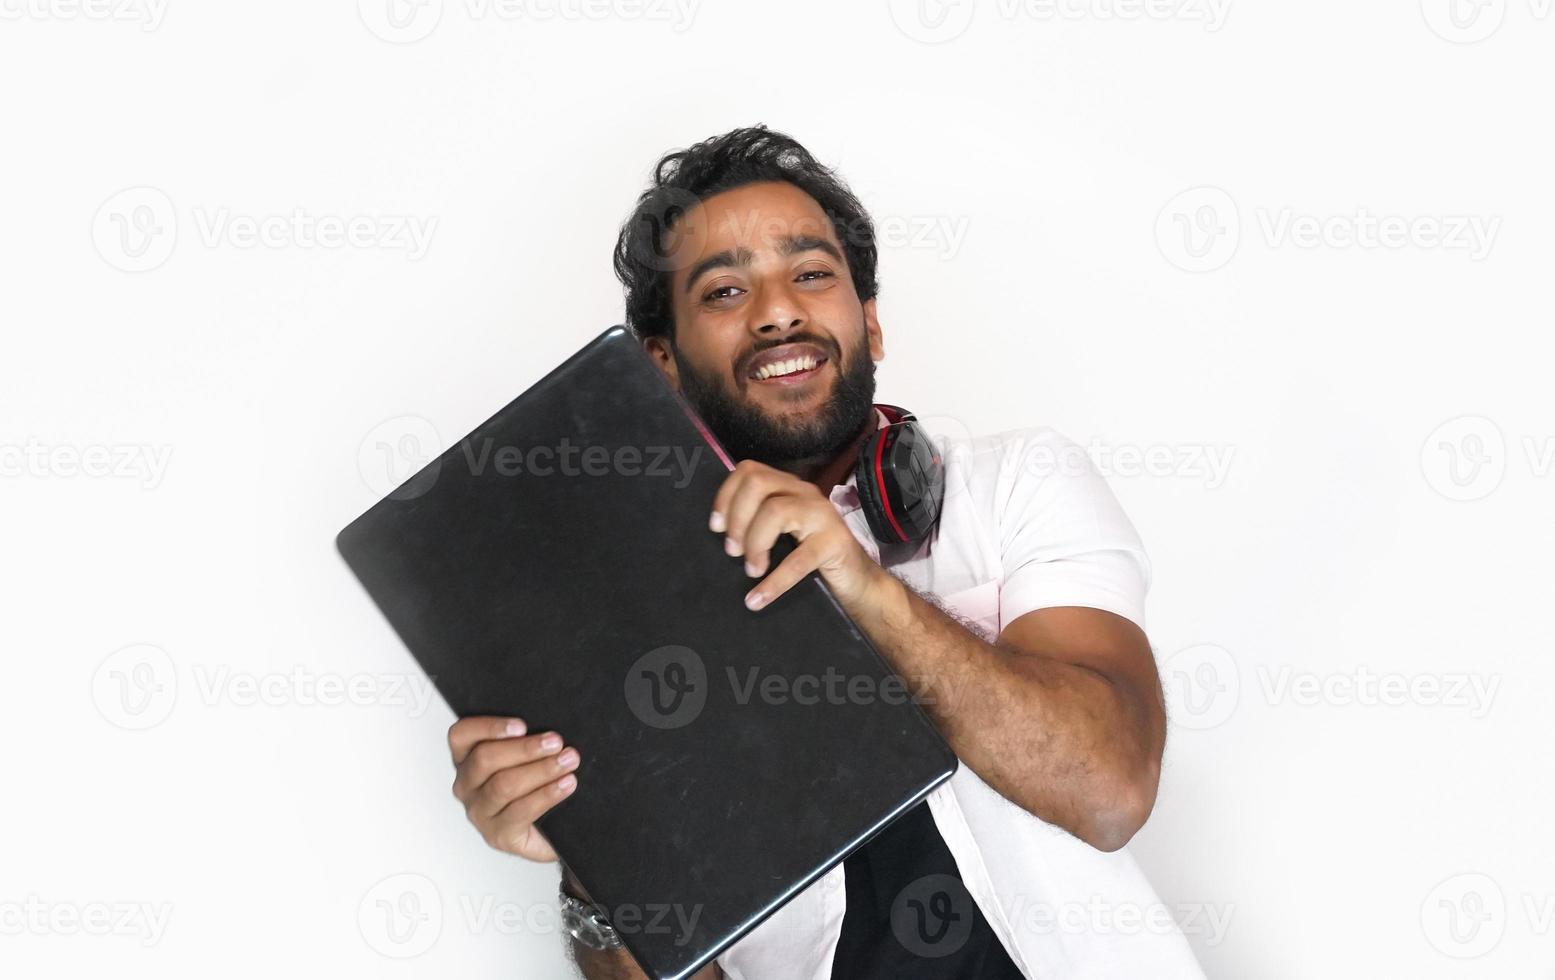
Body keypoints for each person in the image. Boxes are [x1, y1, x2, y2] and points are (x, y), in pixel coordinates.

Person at [445, 125, 1205, 979]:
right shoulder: (622, 634)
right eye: (724, 292)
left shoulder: (1018, 481)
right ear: (658, 367)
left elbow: (1108, 793)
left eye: (811, 274)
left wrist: (862, 586)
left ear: (870, 324)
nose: (777, 311)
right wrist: (591, 865)